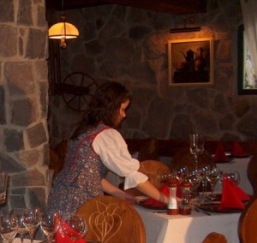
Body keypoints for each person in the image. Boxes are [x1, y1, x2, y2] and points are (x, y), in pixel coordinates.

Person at [47, 81, 168, 217]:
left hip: (59, 200)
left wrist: (120, 194)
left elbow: (90, 177)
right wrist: (166, 200)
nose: (124, 115)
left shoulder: (84, 130)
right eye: (122, 109)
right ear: (111, 108)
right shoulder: (106, 135)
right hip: (81, 205)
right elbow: (133, 175)